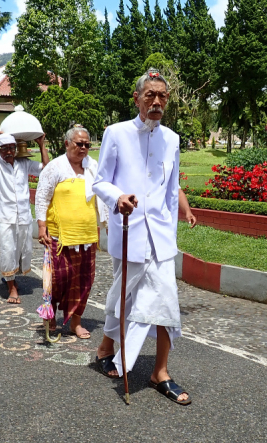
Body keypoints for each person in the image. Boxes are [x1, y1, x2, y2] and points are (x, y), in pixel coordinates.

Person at [93, 68, 191, 405]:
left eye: (162, 95)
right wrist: (117, 197)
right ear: (136, 98)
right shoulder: (116, 133)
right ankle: (107, 346)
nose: (157, 101)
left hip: (160, 239)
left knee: (165, 300)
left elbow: (171, 188)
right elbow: (100, 181)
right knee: (125, 296)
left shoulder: (173, 139)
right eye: (150, 95)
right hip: (129, 231)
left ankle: (159, 371)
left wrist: (171, 233)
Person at [35, 124, 106, 338]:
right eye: (79, 144)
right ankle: (51, 316)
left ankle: (76, 322)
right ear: (67, 144)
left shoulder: (92, 168)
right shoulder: (55, 167)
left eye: (87, 144)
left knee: (83, 281)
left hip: (86, 236)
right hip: (60, 237)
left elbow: (99, 201)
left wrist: (100, 227)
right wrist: (41, 227)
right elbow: (42, 196)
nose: (83, 148)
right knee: (58, 279)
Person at [0, 133, 49, 304]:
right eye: (5, 148)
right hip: (4, 216)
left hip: (23, 215)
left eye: (12, 148)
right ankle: (12, 288)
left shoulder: (23, 164)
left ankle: (9, 278)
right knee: (8, 251)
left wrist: (41, 145)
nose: (9, 151)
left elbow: (47, 169)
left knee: (22, 251)